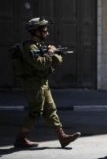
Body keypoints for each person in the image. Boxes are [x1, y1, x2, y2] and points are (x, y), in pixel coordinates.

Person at [13, 17, 80, 149]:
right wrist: (51, 53)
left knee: (51, 110)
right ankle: (20, 139)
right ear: (36, 32)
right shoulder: (29, 47)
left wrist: (53, 53)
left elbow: (55, 60)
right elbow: (40, 64)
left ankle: (62, 138)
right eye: (44, 30)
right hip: (33, 84)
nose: (47, 33)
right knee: (35, 112)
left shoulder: (39, 46)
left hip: (42, 82)